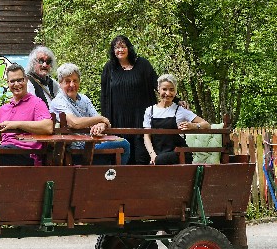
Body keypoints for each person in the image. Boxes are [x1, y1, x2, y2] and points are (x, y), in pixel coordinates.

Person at [49, 63, 130, 165]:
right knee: (124, 144)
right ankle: (118, 178)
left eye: (75, 81)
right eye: (67, 81)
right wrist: (102, 119)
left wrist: (101, 124)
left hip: (91, 146)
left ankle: (113, 178)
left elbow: (97, 120)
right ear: (60, 83)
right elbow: (75, 123)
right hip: (74, 152)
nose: (72, 85)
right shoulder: (58, 101)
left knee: (120, 146)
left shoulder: (84, 99)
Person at [100, 35, 159, 164]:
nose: (120, 50)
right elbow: (104, 97)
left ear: (129, 48)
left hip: (141, 121)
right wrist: (104, 120)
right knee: (121, 160)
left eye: (123, 46)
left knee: (141, 159)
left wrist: (177, 100)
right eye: (116, 47)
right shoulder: (109, 68)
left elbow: (157, 84)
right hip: (118, 122)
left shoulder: (142, 64)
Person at [143, 74, 209, 165]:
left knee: (160, 160)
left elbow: (206, 124)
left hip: (179, 154)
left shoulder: (181, 110)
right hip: (158, 154)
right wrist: (152, 155)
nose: (168, 93)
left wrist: (193, 125)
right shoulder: (150, 111)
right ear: (158, 89)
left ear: (175, 92)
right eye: (164, 89)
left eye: (171, 90)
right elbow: (146, 136)